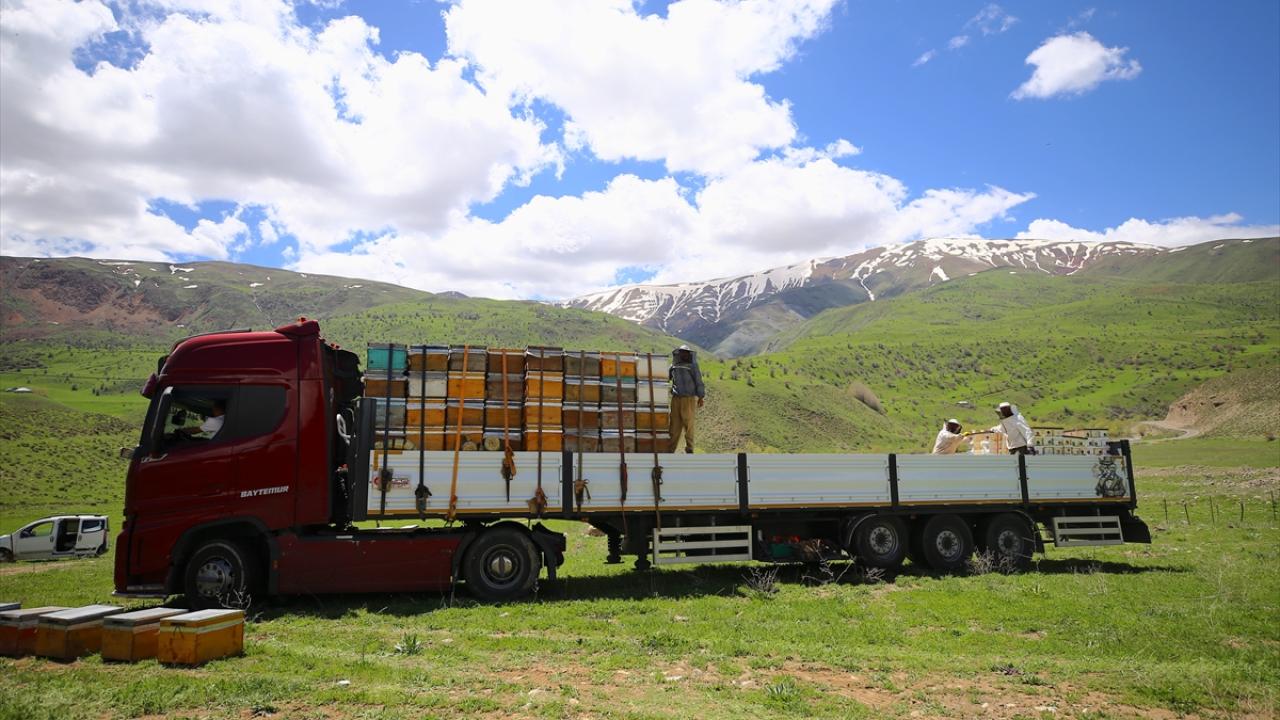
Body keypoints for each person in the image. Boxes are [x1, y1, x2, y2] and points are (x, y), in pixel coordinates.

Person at [668, 345, 705, 453]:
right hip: (676, 399)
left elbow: (698, 381)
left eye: (686, 352)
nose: (684, 354)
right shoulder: (673, 366)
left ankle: (689, 449)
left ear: (689, 354)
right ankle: (670, 450)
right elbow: (666, 377)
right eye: (682, 352)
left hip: (689, 399)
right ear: (678, 354)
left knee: (689, 425)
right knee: (674, 426)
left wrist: (701, 396)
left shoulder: (693, 366)